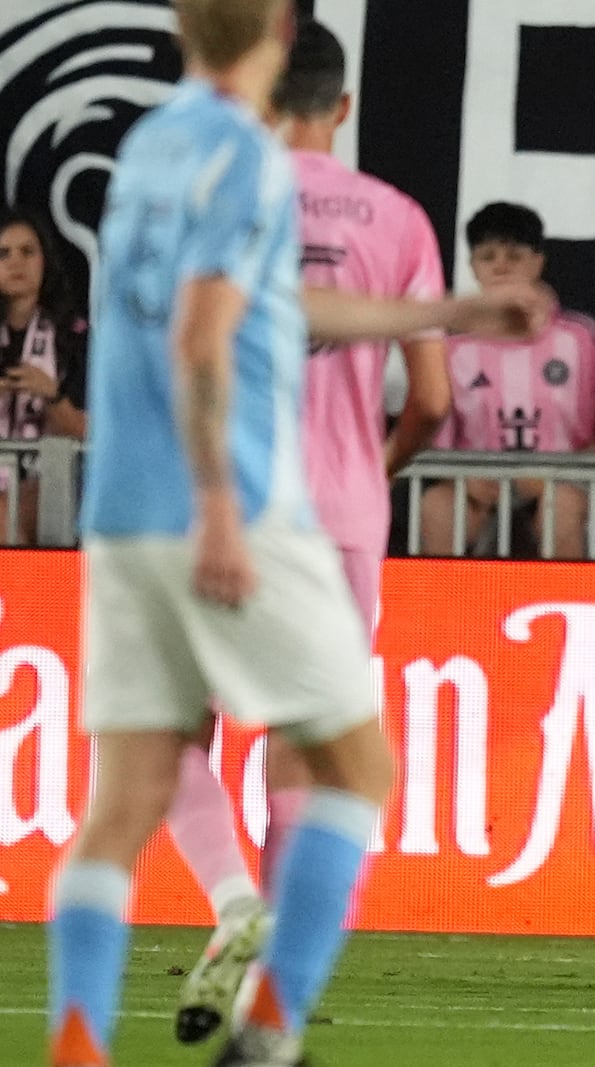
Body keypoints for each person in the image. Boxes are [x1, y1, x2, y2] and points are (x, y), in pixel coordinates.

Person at [45, 3, 534, 1064]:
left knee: (128, 790)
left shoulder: (147, 150)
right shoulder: (249, 155)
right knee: (348, 763)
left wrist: (444, 311)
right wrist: (220, 496)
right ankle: (270, 1024)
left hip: (122, 513)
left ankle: (78, 1036)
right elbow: (209, 333)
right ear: (275, 34)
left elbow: (271, 305)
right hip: (252, 507)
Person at [160, 18, 454, 1046]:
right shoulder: (399, 220)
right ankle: (269, 1008)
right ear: (342, 104)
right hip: (342, 522)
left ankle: (235, 900)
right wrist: (368, 475)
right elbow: (429, 395)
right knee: (304, 751)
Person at [419, 201, 595, 560]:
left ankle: (563, 609)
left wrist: (558, 471)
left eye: (514, 254)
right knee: (438, 505)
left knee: (564, 506)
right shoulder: (452, 348)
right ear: (472, 267)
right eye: (487, 256)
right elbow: (433, 434)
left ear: (538, 261)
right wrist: (464, 478)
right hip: (476, 485)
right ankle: (442, 613)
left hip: (566, 480)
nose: (501, 266)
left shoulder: (580, 339)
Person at [0, 207, 88, 545]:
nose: (15, 262)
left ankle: (27, 597)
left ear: (44, 261)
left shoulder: (76, 338)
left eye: (27, 251)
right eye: (3, 253)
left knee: (13, 512)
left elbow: (89, 431)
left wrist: (51, 394)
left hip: (53, 481)